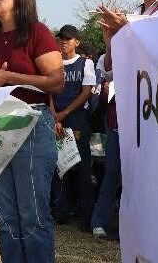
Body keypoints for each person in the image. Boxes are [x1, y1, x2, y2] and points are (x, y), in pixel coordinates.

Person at [0, 0, 64, 262]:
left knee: (33, 215)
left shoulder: (37, 32)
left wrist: (9, 76)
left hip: (33, 125)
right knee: (5, 216)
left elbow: (56, 80)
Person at [93, 0, 158, 240]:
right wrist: (111, 43)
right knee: (127, 179)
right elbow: (110, 72)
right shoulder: (134, 16)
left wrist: (128, 29)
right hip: (129, 113)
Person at [51, 24, 97, 228]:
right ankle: (60, 211)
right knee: (58, 165)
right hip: (56, 118)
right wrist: (55, 117)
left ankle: (86, 214)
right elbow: (48, 91)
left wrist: (65, 113)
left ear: (76, 42)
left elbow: (86, 92)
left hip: (77, 117)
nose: (63, 41)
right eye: (61, 38)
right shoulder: (53, 63)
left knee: (81, 165)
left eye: (67, 39)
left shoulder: (85, 64)